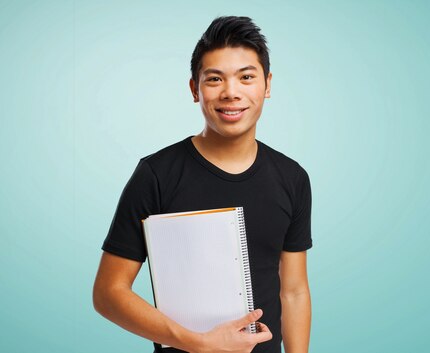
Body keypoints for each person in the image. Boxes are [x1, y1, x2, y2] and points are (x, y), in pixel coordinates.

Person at [92, 16, 312, 353]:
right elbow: (108, 293)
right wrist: (199, 344)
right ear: (195, 89)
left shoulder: (292, 178)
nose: (231, 92)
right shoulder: (156, 175)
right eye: (214, 79)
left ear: (267, 85)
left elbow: (294, 290)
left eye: (246, 77)